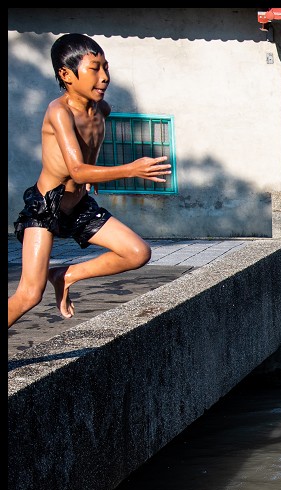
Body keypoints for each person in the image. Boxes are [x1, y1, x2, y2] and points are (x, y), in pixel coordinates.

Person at [8, 33, 172, 329]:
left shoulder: (102, 110)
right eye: (94, 69)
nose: (105, 77)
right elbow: (77, 170)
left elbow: (88, 153)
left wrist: (93, 172)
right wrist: (130, 169)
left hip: (79, 206)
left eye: (106, 67)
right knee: (30, 294)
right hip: (47, 207)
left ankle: (65, 275)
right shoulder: (59, 112)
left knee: (138, 252)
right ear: (66, 75)